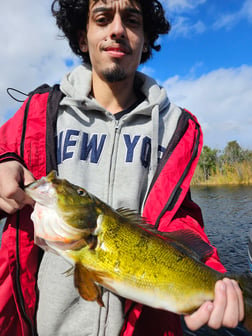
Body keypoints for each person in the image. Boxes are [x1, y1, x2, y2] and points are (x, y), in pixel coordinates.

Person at [0, 0, 244, 335]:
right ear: (82, 37)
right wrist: (4, 165)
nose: (117, 30)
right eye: (102, 18)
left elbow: (180, 217)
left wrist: (215, 276)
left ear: (145, 38)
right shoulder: (40, 112)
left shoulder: (175, 127)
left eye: (131, 20)